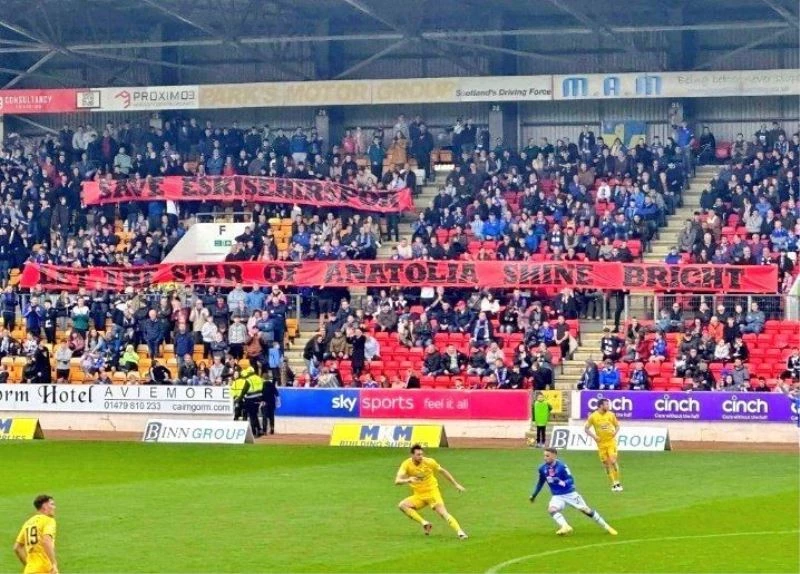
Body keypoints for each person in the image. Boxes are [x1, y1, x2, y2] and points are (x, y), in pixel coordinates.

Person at [529, 448, 617, 537]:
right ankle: (565, 526)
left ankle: (607, 527)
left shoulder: (562, 466)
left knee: (586, 510)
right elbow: (540, 482)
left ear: (554, 456)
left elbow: (571, 480)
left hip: (570, 494)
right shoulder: (542, 468)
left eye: (547, 456)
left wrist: (561, 482)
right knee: (551, 509)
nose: (545, 458)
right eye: (544, 456)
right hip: (557, 496)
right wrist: (534, 495)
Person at [395, 443, 468, 539]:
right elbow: (397, 481)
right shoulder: (406, 464)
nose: (421, 457)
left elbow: (442, 471)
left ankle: (460, 532)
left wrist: (456, 484)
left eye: (422, 454)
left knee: (443, 513)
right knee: (402, 505)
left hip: (432, 493)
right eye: (418, 455)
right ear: (412, 455)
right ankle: (425, 523)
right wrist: (408, 480)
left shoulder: (429, 462)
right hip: (419, 496)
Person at [584, 398, 623, 492]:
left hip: (611, 442)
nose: (608, 406)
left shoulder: (611, 415)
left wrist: (615, 433)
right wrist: (594, 437)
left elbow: (617, 426)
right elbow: (586, 429)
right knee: (606, 464)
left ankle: (618, 482)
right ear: (601, 406)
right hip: (601, 444)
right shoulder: (593, 416)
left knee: (613, 461)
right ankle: (613, 484)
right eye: (606, 405)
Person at [14, 494, 58, 574]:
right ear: (44, 506)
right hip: (44, 569)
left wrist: (28, 565)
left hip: (29, 570)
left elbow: (17, 548)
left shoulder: (28, 523)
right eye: (52, 504)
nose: (54, 507)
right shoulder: (48, 520)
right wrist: (54, 564)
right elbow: (46, 541)